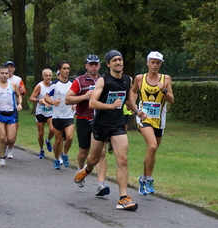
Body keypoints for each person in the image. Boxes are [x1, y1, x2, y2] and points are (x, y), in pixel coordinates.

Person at [73, 50, 146, 211]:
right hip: (101, 125)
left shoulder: (128, 80)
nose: (118, 62)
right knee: (94, 158)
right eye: (114, 60)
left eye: (120, 59)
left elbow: (128, 100)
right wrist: (110, 106)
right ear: (108, 64)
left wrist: (137, 111)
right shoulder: (103, 81)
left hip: (118, 125)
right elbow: (92, 103)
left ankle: (123, 198)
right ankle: (86, 169)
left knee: (123, 160)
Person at [65, 54, 109, 196]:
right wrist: (84, 96)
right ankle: (80, 170)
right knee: (84, 152)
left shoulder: (105, 80)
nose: (94, 66)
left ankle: (101, 185)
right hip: (84, 118)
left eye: (96, 64)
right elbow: (68, 100)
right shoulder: (80, 81)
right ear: (86, 66)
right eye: (91, 64)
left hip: (100, 120)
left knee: (101, 153)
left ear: (100, 66)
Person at [132, 51, 174, 195]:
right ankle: (149, 179)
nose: (155, 65)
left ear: (160, 64)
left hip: (159, 120)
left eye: (157, 63)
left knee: (152, 151)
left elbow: (171, 100)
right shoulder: (139, 78)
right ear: (147, 63)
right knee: (152, 146)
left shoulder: (166, 79)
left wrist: (164, 90)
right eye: (152, 62)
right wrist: (135, 110)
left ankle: (143, 179)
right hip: (144, 118)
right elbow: (132, 94)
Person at [44, 61, 75, 169]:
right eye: (64, 68)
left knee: (70, 137)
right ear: (60, 70)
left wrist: (75, 104)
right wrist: (53, 102)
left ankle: (64, 154)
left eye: (68, 68)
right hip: (57, 117)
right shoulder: (54, 84)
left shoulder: (73, 84)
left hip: (69, 116)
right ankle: (56, 159)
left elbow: (76, 96)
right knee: (58, 140)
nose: (66, 71)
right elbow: (46, 97)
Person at [2, 60, 26, 159]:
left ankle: (10, 149)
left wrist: (23, 92)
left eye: (12, 67)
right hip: (1, 108)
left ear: (14, 69)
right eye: (8, 67)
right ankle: (2, 146)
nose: (10, 69)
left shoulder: (18, 79)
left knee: (14, 131)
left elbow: (22, 93)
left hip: (13, 108)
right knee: (4, 133)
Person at [29, 68, 54, 159]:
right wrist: (39, 100)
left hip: (51, 112)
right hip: (40, 112)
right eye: (46, 76)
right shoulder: (39, 86)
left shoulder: (54, 85)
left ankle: (48, 140)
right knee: (40, 133)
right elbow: (31, 98)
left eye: (49, 75)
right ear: (42, 76)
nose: (48, 77)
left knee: (52, 130)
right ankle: (41, 150)